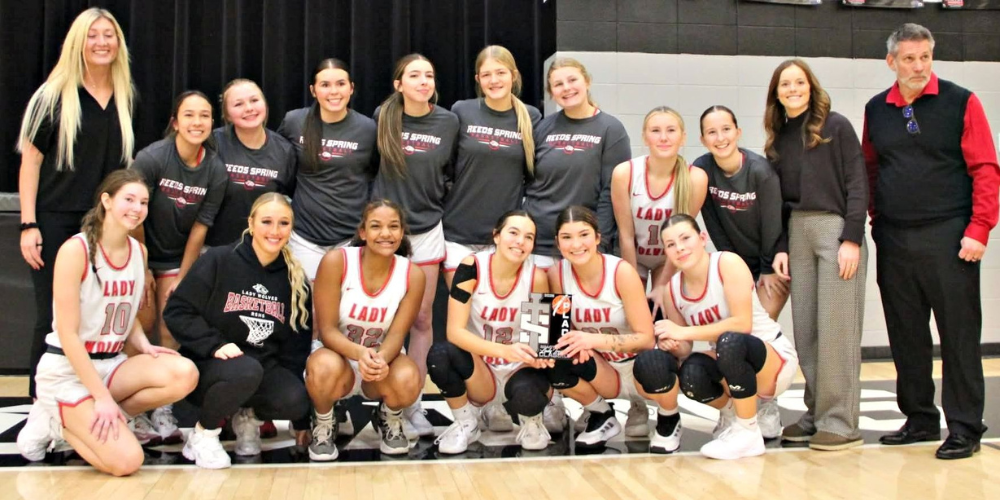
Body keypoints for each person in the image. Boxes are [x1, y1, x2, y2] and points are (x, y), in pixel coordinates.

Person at [863, 24, 999, 460]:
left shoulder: (962, 101)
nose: (918, 66)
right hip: (894, 236)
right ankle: (920, 417)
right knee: (906, 334)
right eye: (909, 59)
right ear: (891, 62)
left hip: (950, 237)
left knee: (958, 335)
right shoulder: (876, 109)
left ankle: (963, 426)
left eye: (925, 57)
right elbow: (870, 167)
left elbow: (986, 169)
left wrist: (979, 229)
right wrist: (876, 218)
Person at [17, 169, 198, 476]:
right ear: (106, 201)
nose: (137, 208)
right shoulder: (75, 251)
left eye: (143, 202)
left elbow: (124, 312)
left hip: (111, 365)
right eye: (128, 199)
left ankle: (110, 418)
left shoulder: (138, 251)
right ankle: (53, 421)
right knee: (128, 462)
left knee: (184, 372)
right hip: (68, 370)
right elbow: (68, 335)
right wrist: (100, 398)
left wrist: (143, 345)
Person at [17, 7, 136, 400]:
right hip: (54, 220)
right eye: (92, 35)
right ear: (77, 42)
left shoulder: (125, 96)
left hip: (104, 224)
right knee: (54, 315)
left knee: (98, 314)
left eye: (108, 35)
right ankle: (42, 403)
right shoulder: (53, 95)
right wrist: (28, 225)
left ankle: (89, 400)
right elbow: (31, 162)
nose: (101, 42)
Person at [163, 193, 313, 469]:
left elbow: (296, 348)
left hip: (259, 370)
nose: (275, 231)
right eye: (267, 221)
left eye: (283, 223)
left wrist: (301, 419)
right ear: (251, 223)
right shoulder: (220, 259)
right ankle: (203, 435)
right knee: (246, 370)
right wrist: (214, 344)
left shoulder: (296, 279)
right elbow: (177, 311)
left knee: (296, 400)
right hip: (212, 366)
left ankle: (248, 418)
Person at [764, 59, 869, 451]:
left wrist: (853, 237)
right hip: (797, 233)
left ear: (811, 86)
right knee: (807, 330)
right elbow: (777, 201)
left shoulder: (835, 126)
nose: (793, 88)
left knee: (836, 331)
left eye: (799, 82)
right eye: (785, 84)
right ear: (776, 92)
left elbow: (857, 181)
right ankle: (816, 412)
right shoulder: (777, 137)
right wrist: (779, 246)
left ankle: (840, 422)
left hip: (835, 230)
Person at [654, 214, 799, 460]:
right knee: (691, 372)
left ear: (702, 238)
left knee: (731, 341)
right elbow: (684, 348)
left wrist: (683, 331)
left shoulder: (726, 264)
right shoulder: (672, 289)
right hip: (730, 359)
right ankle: (734, 416)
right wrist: (672, 342)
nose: (679, 248)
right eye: (670, 244)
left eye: (685, 238)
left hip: (773, 360)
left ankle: (748, 431)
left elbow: (742, 324)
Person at [373, 53, 460, 437]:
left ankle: (411, 403)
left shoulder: (449, 121)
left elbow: (453, 172)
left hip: (426, 229)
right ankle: (372, 399)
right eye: (414, 75)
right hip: (383, 233)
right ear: (399, 84)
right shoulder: (381, 118)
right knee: (377, 320)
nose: (423, 81)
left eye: (429, 74)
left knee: (422, 319)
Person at [429, 210, 562, 454]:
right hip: (481, 369)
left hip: (518, 368)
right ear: (496, 236)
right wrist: (504, 351)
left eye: (528, 237)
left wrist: (543, 353)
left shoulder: (537, 277)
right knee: (440, 354)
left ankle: (532, 421)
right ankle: (466, 422)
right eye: (513, 233)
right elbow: (455, 332)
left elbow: (544, 344)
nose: (520, 241)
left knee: (534, 389)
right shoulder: (471, 267)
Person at [692, 106, 787, 440]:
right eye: (712, 132)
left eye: (726, 129)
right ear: (703, 138)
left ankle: (768, 405)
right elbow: (713, 223)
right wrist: (730, 268)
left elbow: (773, 225)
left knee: (754, 337)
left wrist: (762, 270)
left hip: (767, 264)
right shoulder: (701, 169)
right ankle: (736, 409)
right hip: (734, 267)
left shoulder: (760, 171)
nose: (720, 138)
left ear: (738, 132)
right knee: (728, 341)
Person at [304, 199, 425, 459]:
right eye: (376, 226)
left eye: (393, 227)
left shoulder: (412, 274)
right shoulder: (337, 261)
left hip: (381, 360)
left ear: (402, 233)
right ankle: (324, 421)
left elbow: (396, 334)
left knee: (409, 379)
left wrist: (380, 358)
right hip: (338, 357)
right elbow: (326, 330)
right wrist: (360, 354)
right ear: (363, 232)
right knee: (322, 368)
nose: (385, 234)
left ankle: (389, 417)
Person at [544, 206, 657, 449]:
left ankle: (645, 407)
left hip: (636, 366)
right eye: (567, 237)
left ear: (597, 237)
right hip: (601, 369)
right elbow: (556, 334)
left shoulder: (622, 271)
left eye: (584, 234)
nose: (576, 244)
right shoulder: (555, 274)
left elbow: (647, 339)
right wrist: (571, 346)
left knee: (658, 365)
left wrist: (592, 341)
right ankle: (600, 411)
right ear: (557, 242)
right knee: (551, 353)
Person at [441, 46, 541, 285]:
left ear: (513, 75)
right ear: (478, 79)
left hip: (506, 237)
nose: (494, 80)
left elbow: (536, 174)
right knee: (466, 309)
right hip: (460, 233)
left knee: (525, 312)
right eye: (486, 74)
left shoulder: (532, 116)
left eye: (501, 73)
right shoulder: (462, 110)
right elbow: (445, 165)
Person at [523, 58, 631, 268]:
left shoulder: (611, 129)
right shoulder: (543, 127)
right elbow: (526, 181)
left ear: (587, 82)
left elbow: (612, 192)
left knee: (578, 302)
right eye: (558, 84)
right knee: (542, 301)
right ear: (551, 92)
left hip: (581, 245)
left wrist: (600, 241)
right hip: (540, 244)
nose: (567, 88)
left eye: (572, 80)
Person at [278, 58, 378, 281]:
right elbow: (277, 162)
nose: (334, 91)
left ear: (351, 88)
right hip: (304, 237)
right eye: (325, 85)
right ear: (313, 90)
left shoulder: (368, 128)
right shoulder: (295, 121)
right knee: (308, 310)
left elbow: (375, 174)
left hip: (350, 238)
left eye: (341, 84)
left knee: (344, 311)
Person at [610, 106, 707, 286]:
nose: (663, 137)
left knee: (662, 308)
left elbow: (681, 235)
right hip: (632, 256)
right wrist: (632, 286)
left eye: (671, 130)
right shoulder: (625, 173)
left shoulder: (695, 178)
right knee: (630, 310)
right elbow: (626, 235)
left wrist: (662, 287)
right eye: (655, 131)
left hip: (669, 258)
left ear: (683, 137)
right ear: (644, 137)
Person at [206, 79, 296, 247]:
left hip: (262, 250)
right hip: (214, 249)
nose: (249, 108)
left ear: (265, 104)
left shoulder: (284, 150)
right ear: (226, 114)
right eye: (238, 104)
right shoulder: (212, 144)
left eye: (254, 100)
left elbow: (289, 199)